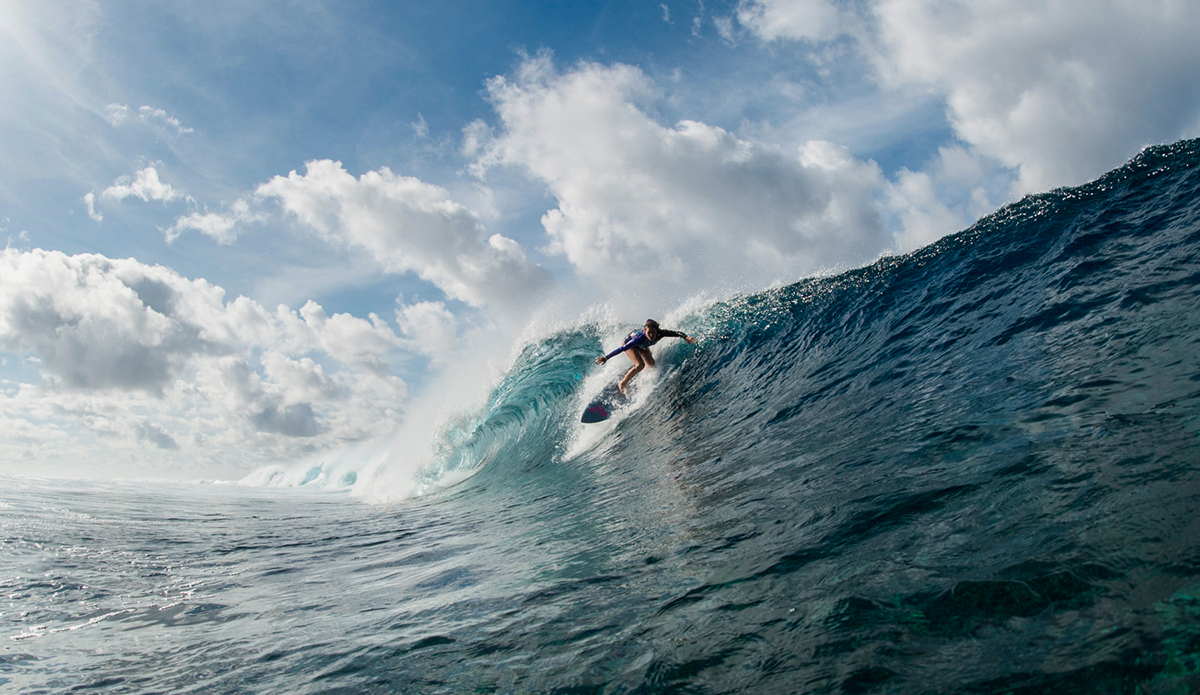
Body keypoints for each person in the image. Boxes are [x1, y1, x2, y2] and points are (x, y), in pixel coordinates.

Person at [595, 319, 697, 396]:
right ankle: (622, 384)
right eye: (649, 332)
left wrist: (686, 337)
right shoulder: (639, 338)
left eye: (653, 332)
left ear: (657, 331)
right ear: (645, 330)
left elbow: (675, 333)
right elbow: (622, 348)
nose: (652, 335)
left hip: (642, 346)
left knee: (651, 364)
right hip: (629, 344)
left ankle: (634, 373)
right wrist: (606, 357)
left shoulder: (660, 333)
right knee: (640, 365)